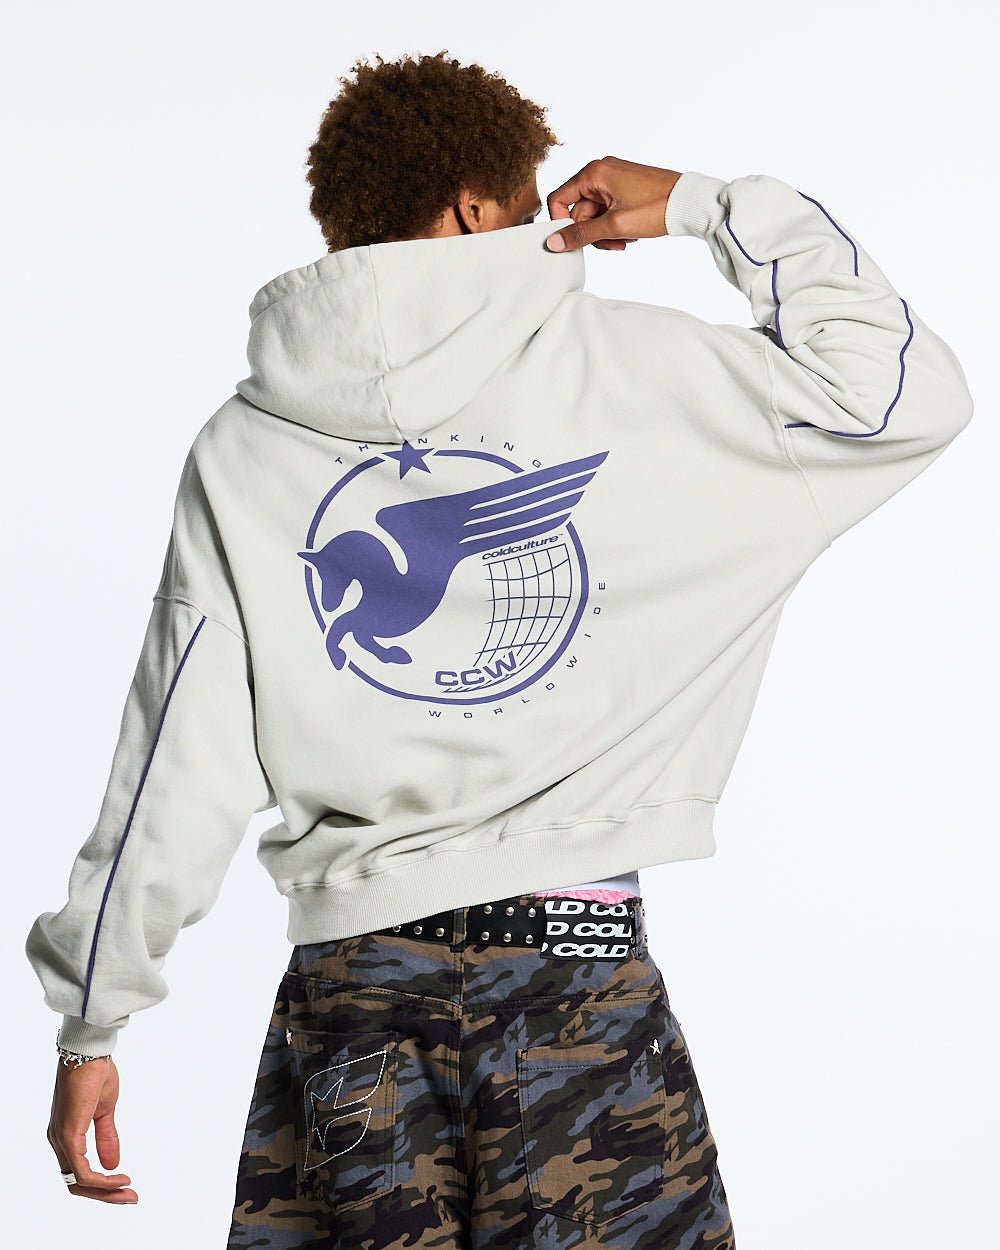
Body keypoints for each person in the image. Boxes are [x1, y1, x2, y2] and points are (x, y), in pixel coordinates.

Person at [26, 48, 973, 1249]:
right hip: (574, 980)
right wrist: (702, 205)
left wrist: (93, 1018)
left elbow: (175, 753)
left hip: (353, 1004)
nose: (545, 228)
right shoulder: (652, 375)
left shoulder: (243, 447)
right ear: (476, 210)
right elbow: (903, 393)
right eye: (528, 202)